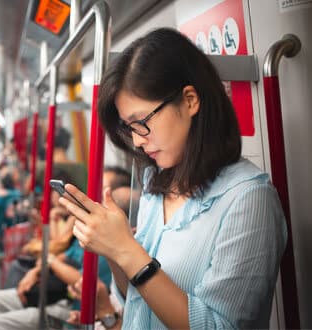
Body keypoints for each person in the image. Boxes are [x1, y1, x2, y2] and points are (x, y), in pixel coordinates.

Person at [59, 28, 287, 329]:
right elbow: (137, 300)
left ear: (189, 100)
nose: (137, 141)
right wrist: (113, 248)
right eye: (129, 129)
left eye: (140, 123)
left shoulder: (249, 200)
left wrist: (127, 250)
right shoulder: (157, 182)